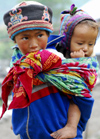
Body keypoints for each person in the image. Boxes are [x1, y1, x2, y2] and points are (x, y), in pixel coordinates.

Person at [0, 2, 99, 139]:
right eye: (25, 38)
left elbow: (82, 94)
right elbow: (19, 92)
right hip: (29, 133)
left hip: (59, 133)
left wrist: (73, 126)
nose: (33, 45)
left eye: (40, 35)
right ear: (14, 41)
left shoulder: (56, 59)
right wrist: (19, 118)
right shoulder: (18, 63)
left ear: (48, 35)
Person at [50, 4, 100, 139]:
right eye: (80, 43)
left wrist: (79, 62)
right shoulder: (56, 52)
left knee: (74, 101)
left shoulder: (88, 58)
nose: (85, 48)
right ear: (66, 40)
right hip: (56, 101)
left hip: (76, 94)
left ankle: (71, 127)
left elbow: (89, 73)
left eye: (91, 44)